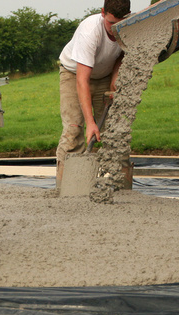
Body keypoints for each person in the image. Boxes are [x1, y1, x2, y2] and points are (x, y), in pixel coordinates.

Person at [56, 0, 131, 187]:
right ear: (102, 12)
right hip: (74, 74)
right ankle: (66, 187)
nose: (115, 29)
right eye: (111, 23)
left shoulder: (130, 26)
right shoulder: (90, 31)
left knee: (112, 131)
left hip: (104, 74)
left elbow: (123, 54)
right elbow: (82, 81)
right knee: (74, 129)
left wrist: (115, 77)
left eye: (119, 23)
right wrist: (90, 123)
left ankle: (119, 186)